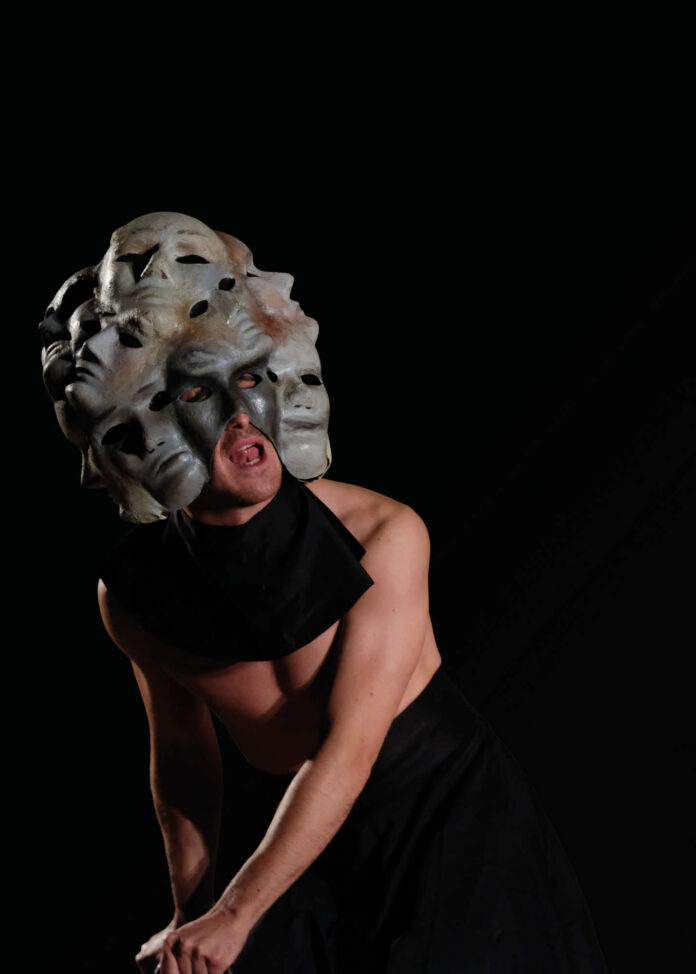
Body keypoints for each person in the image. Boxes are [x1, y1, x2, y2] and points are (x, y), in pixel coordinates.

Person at [41, 212, 608, 973]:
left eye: (250, 377)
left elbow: (349, 748)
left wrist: (234, 914)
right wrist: (189, 916)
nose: (242, 416)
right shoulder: (133, 596)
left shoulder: (385, 534)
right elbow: (182, 757)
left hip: (456, 831)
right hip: (301, 849)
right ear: (150, 423)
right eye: (200, 390)